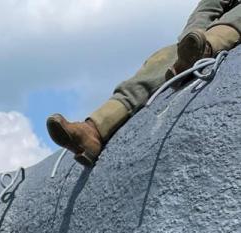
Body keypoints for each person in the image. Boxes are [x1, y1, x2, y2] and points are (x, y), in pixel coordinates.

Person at [47, 2, 241, 166]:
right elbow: (208, 7)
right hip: (206, 36)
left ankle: (202, 50)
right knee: (163, 58)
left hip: (227, 31)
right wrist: (191, 36)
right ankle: (93, 131)